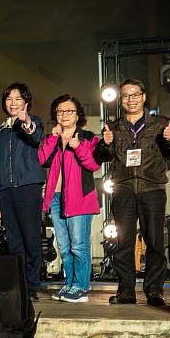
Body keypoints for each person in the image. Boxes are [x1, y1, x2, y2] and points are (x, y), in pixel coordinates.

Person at [94, 78, 170, 306]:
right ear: (120, 101)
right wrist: (105, 144)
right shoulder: (113, 127)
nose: (130, 99)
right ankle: (126, 291)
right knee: (123, 242)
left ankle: (154, 290)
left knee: (154, 241)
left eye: (135, 95)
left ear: (143, 97)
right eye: (125, 96)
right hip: (122, 191)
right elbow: (99, 158)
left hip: (152, 189)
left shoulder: (160, 125)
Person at [38, 95, 101, 303]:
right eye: (60, 111)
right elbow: (42, 159)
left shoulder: (89, 137)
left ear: (77, 115)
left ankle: (81, 286)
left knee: (78, 245)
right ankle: (69, 284)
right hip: (56, 198)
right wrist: (55, 138)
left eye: (69, 111)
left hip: (79, 199)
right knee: (64, 247)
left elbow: (94, 165)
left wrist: (78, 146)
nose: (64, 115)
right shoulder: (51, 138)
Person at [0, 83, 45, 300]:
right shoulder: (0, 130)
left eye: (17, 98)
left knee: (31, 237)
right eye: (9, 99)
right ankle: (18, 285)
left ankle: (31, 286)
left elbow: (36, 137)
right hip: (4, 189)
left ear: (26, 102)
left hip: (27, 186)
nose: (13, 103)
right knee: (14, 239)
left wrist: (26, 121)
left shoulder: (33, 122)